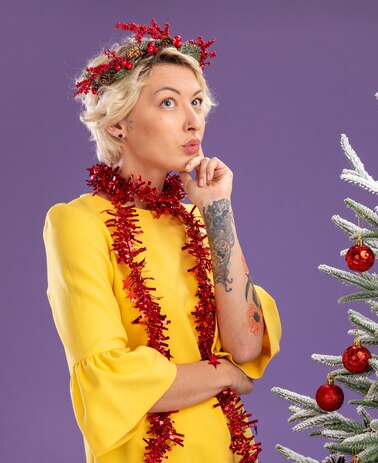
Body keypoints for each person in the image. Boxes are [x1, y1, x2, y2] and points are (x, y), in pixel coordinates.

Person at [43, 19, 281, 463]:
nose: (193, 121)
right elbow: (110, 379)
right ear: (118, 124)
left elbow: (247, 346)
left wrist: (218, 211)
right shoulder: (77, 223)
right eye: (169, 103)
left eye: (197, 102)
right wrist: (225, 374)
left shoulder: (197, 221)